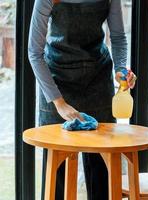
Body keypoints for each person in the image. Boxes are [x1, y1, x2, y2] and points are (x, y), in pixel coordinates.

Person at [28, 0, 136, 199]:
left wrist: (121, 70)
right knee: (57, 169)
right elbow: (35, 53)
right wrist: (59, 102)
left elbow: (119, 38)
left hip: (97, 79)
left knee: (101, 167)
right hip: (57, 81)